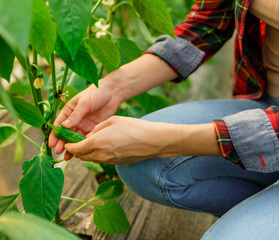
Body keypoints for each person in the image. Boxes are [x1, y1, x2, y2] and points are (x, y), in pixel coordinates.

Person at [49, 0, 279, 238]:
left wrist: (163, 140)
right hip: (265, 102)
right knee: (141, 166)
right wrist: (113, 88)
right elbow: (208, 22)